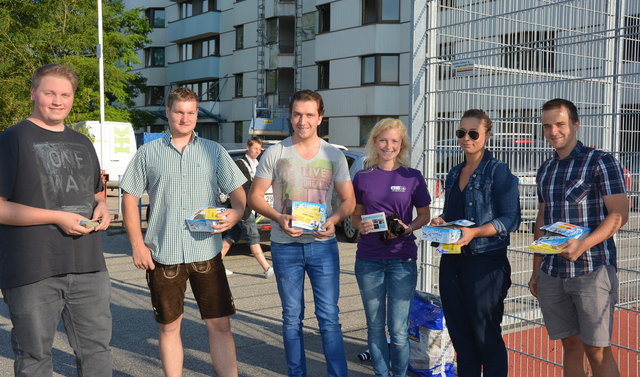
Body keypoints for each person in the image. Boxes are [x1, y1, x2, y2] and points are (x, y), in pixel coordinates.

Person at [121, 87, 246, 377]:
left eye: (191, 112)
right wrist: (137, 244)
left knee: (220, 325)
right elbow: (129, 197)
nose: (185, 118)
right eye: (179, 111)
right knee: (169, 326)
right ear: (167, 112)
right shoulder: (148, 153)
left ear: (197, 114)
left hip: (206, 252)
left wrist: (236, 213)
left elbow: (239, 193)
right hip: (163, 253)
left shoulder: (213, 150)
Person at [0, 64, 113, 376]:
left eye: (65, 94)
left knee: (97, 353)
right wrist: (57, 218)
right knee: (34, 357)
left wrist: (101, 208)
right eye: (49, 92)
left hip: (89, 267)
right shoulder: (11, 140)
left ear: (73, 98)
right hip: (33, 270)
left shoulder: (83, 143)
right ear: (34, 93)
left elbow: (97, 193)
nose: (57, 100)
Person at [249, 90, 355, 377]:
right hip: (286, 246)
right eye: (297, 114)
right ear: (290, 116)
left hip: (323, 245)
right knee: (291, 319)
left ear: (320, 117)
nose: (302, 120)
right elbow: (255, 197)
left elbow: (349, 201)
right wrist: (278, 217)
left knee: (329, 318)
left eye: (309, 114)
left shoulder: (334, 155)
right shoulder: (275, 153)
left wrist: (334, 219)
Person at [528, 99, 628, 377]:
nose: (553, 131)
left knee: (597, 351)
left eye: (560, 124)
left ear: (575, 124)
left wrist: (584, 244)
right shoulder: (545, 169)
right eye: (547, 125)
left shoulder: (600, 161)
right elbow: (542, 219)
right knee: (570, 346)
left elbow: (620, 214)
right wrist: (537, 268)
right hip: (553, 271)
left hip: (591, 271)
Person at [429, 109, 521, 377]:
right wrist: (440, 222)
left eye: (473, 133)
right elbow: (453, 214)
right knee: (461, 339)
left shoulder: (498, 171)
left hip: (486, 264)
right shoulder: (454, 171)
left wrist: (476, 232)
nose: (466, 138)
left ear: (487, 135)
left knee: (486, 339)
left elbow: (511, 218)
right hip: (453, 261)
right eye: (461, 133)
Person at [351, 118, 431, 377]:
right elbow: (355, 214)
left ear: (402, 144)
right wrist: (359, 225)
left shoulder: (412, 176)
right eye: (384, 140)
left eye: (395, 141)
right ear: (375, 142)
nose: (389, 146)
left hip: (402, 259)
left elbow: (424, 215)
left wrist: (408, 227)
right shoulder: (363, 176)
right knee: (374, 326)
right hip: (369, 259)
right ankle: (380, 374)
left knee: (397, 330)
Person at [220, 136, 274, 278]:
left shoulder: (258, 165)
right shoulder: (240, 163)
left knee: (230, 238)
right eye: (255, 148)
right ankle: (267, 268)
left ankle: (216, 266)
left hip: (251, 206)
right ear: (248, 148)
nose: (258, 151)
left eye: (260, 149)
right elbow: (244, 187)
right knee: (253, 236)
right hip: (242, 207)